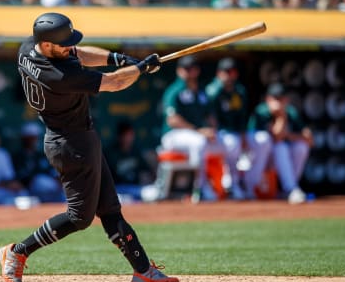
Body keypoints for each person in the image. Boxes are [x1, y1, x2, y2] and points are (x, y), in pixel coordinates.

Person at [0, 12, 178, 282]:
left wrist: (117, 59)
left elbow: (79, 53)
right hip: (70, 145)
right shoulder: (59, 75)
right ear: (47, 46)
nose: (70, 47)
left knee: (109, 208)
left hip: (80, 139)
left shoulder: (28, 47)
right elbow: (115, 83)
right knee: (79, 218)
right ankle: (18, 251)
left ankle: (143, 271)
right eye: (63, 44)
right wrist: (141, 69)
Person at [160, 55, 223, 201]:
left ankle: (233, 186)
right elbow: (172, 120)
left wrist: (212, 129)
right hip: (173, 136)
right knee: (199, 142)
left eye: (192, 68)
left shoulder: (201, 91)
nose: (189, 72)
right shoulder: (174, 91)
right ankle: (199, 189)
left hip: (197, 135)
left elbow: (210, 116)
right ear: (179, 71)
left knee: (230, 144)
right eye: (186, 69)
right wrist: (199, 130)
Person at [245, 82, 312, 204]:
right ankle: (250, 187)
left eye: (281, 98)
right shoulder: (262, 111)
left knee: (301, 147)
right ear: (268, 99)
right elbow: (278, 136)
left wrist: (291, 135)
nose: (279, 102)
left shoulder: (290, 111)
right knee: (275, 144)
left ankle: (290, 188)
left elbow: (309, 139)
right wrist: (281, 117)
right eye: (276, 98)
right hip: (255, 158)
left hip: (277, 159)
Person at [206, 57, 248, 199]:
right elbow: (209, 117)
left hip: (236, 132)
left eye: (232, 71)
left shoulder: (239, 90)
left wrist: (244, 136)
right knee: (232, 141)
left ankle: (250, 184)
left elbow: (242, 117)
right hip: (219, 134)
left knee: (263, 141)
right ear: (219, 73)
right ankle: (232, 182)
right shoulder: (213, 91)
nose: (229, 75)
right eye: (226, 72)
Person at [12, 122, 64, 202]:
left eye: (35, 137)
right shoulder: (17, 157)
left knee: (61, 191)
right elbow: (16, 177)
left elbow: (52, 172)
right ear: (24, 138)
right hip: (26, 189)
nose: (34, 140)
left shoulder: (42, 155)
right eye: (31, 137)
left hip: (46, 190)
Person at [104, 121, 153, 202]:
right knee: (120, 199)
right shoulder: (110, 153)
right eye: (126, 135)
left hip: (135, 189)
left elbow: (147, 170)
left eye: (131, 135)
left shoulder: (135, 151)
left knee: (152, 194)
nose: (129, 138)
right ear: (120, 136)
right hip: (118, 189)